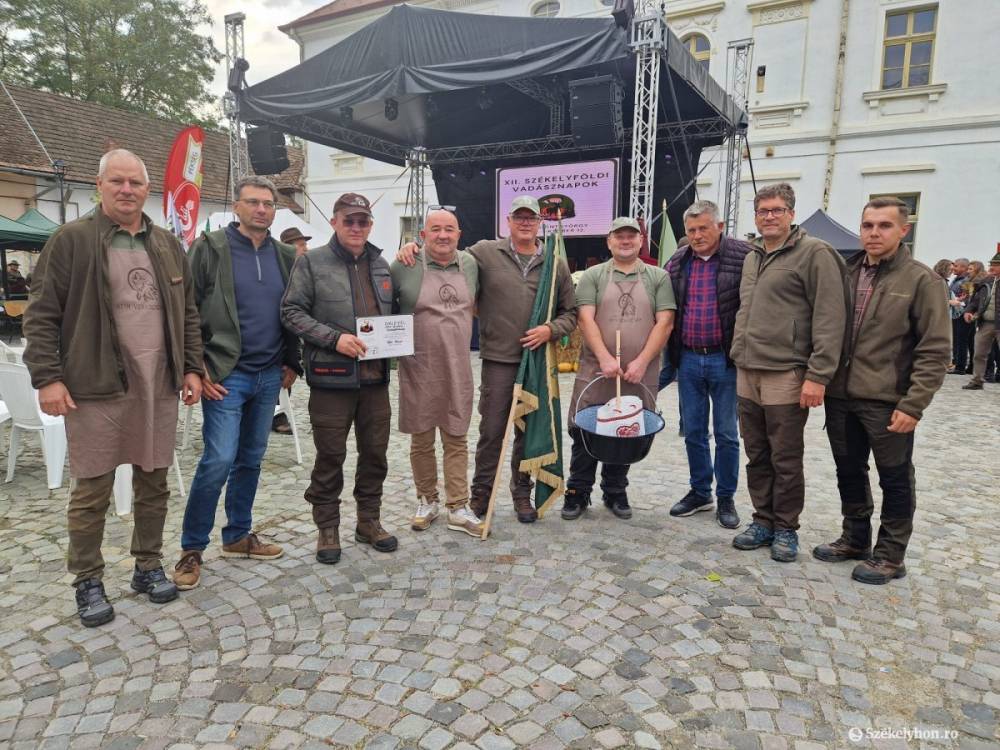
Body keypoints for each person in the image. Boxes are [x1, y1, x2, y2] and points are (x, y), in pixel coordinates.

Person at [22, 149, 203, 627]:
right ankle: (87, 579)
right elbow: (41, 315)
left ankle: (147, 565)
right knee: (93, 489)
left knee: (154, 482)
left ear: (148, 190)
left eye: (136, 183)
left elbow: (187, 313)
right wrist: (48, 377)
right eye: (118, 181)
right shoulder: (71, 240)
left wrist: (191, 368)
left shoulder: (165, 243)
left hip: (157, 381)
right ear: (99, 185)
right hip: (95, 382)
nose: (127, 190)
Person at [396, 195, 577, 524]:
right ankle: (481, 494)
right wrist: (410, 247)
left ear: (539, 222)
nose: (525, 223)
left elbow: (571, 312)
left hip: (536, 361)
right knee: (491, 432)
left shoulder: (555, 262)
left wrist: (551, 329)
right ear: (508, 220)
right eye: (519, 217)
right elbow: (440, 248)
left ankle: (521, 492)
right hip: (496, 359)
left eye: (531, 218)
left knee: (528, 430)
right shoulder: (483, 253)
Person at [172, 176, 302, 591]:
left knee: (252, 458)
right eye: (253, 202)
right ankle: (192, 547)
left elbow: (294, 310)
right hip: (225, 374)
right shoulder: (210, 248)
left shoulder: (285, 255)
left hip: (268, 375)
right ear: (236, 205)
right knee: (218, 459)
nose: (261, 209)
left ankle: (238, 535)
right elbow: (186, 310)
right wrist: (195, 366)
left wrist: (292, 361)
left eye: (268, 203)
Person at [814, 197, 950, 584]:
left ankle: (891, 554)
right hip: (841, 395)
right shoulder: (845, 272)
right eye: (868, 225)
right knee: (848, 470)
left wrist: (914, 405)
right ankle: (855, 538)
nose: (874, 233)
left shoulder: (922, 281)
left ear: (903, 230)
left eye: (884, 226)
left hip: (888, 399)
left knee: (894, 477)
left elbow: (935, 350)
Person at [729, 183, 847, 562]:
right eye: (762, 211)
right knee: (756, 453)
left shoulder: (815, 254)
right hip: (748, 368)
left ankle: (785, 528)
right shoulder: (753, 256)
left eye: (777, 210)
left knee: (785, 455)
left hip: (787, 371)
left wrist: (818, 375)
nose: (769, 217)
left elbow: (830, 318)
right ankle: (762, 519)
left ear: (792, 213)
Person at [282, 193, 398, 564]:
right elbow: (291, 311)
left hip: (375, 379)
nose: (356, 227)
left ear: (370, 225)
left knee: (376, 454)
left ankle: (368, 521)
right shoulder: (312, 263)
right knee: (330, 455)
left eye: (362, 221)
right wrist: (335, 339)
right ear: (334, 222)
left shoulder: (381, 264)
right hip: (331, 378)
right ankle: (327, 527)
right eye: (349, 220)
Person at [561, 217, 674, 520]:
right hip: (597, 370)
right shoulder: (594, 276)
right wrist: (604, 358)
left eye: (631, 237)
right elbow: (585, 319)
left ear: (641, 242)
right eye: (619, 236)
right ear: (609, 241)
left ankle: (615, 491)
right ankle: (577, 491)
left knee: (627, 429)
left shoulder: (658, 277)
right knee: (586, 428)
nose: (625, 241)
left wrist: (641, 362)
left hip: (640, 371)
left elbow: (665, 322)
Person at [390, 207, 483, 536]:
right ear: (423, 235)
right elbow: (386, 313)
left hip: (458, 366)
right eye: (436, 229)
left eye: (450, 229)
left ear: (459, 235)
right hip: (419, 367)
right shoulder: (405, 265)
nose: (443, 235)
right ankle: (426, 500)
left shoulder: (471, 264)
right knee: (422, 438)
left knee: (457, 437)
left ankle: (458, 506)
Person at [664, 200, 751, 529]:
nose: (697, 235)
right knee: (694, 431)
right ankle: (701, 492)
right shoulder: (679, 260)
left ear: (720, 226)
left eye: (703, 228)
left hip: (725, 359)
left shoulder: (744, 256)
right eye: (691, 230)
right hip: (687, 358)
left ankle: (726, 496)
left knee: (727, 433)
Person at [961, 253, 1000, 390]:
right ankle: (977, 380)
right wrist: (968, 311)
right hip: (986, 323)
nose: (991, 267)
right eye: (991, 264)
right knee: (979, 353)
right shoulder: (987, 281)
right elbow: (976, 299)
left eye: (995, 265)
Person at [948, 258, 973, 375]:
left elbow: (969, 298)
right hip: (956, 313)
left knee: (961, 341)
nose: (954, 267)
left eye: (956, 266)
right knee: (957, 340)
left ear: (963, 268)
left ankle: (960, 367)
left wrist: (958, 302)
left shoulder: (967, 281)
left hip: (962, 314)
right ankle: (957, 363)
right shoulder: (956, 279)